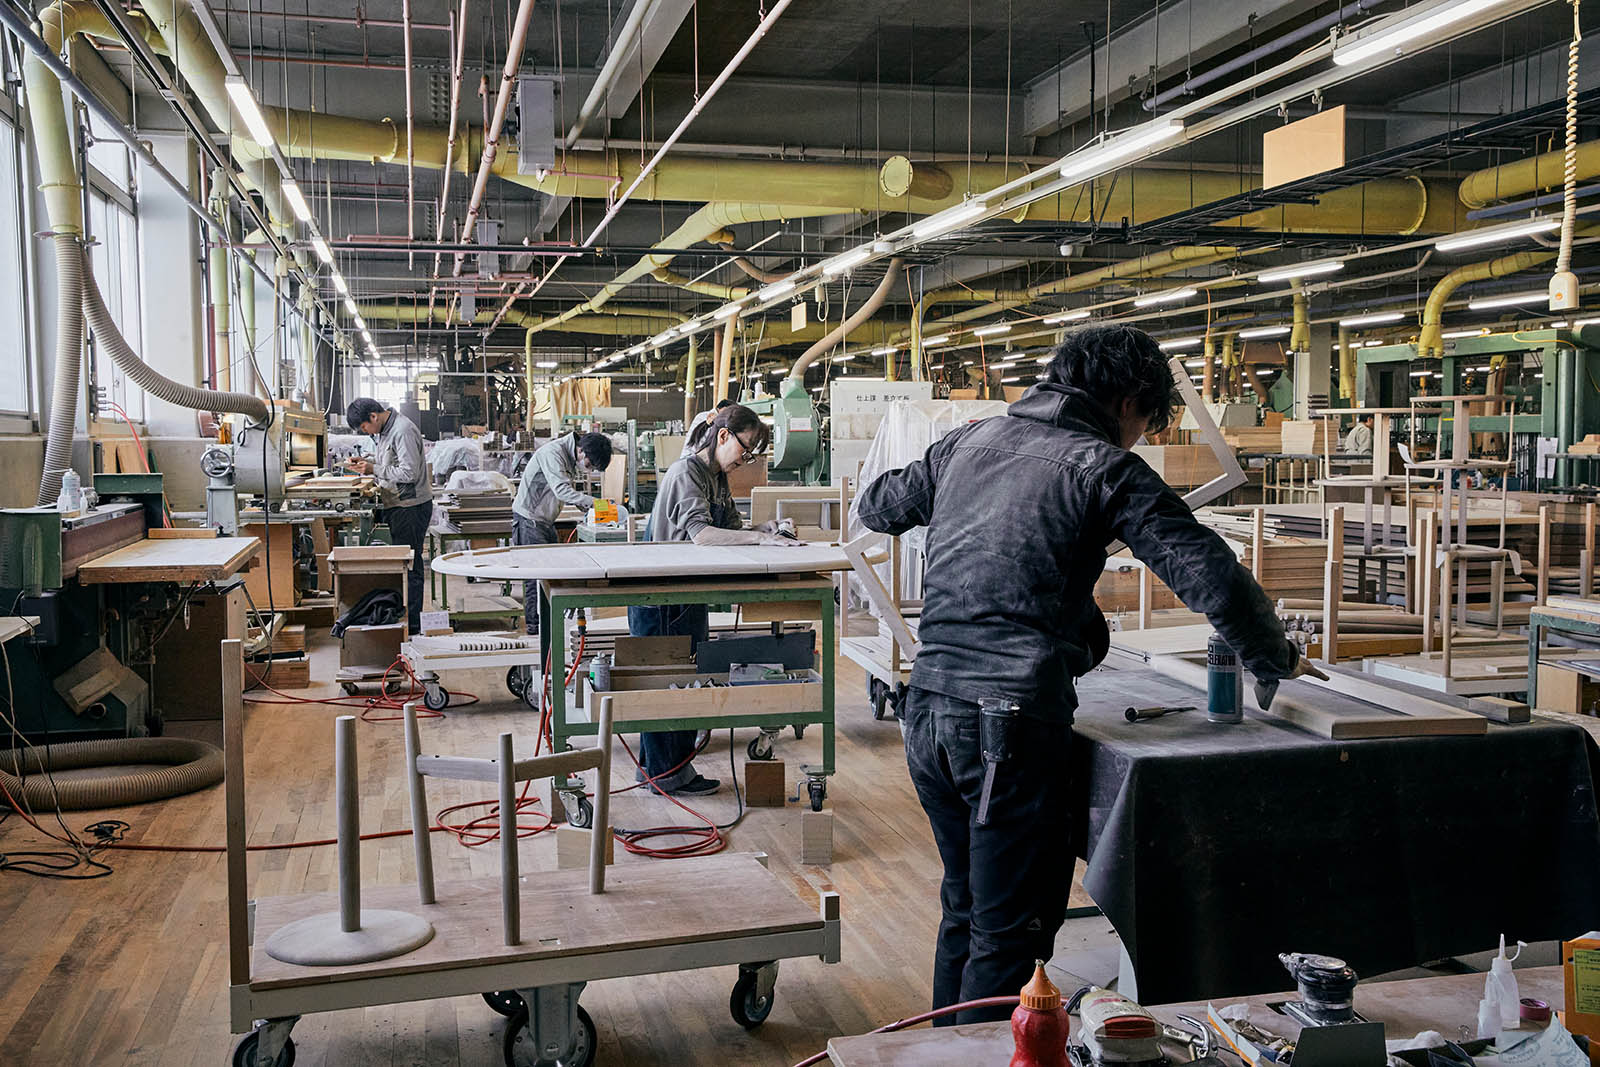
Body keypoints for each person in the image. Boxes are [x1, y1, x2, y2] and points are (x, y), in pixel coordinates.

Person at [855, 324, 1325, 1025]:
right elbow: (1208, 572)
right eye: (1143, 423)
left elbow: (877, 504)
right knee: (1007, 933)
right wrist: (1269, 654)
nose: (1136, 439)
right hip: (1004, 728)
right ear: (1129, 399)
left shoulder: (966, 442)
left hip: (926, 710)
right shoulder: (1100, 464)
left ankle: (938, 1052)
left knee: (966, 909)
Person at [628, 404, 802, 795]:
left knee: (687, 684)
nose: (747, 460)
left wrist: (769, 527)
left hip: (687, 595)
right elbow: (702, 535)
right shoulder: (686, 472)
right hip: (661, 600)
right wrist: (761, 539)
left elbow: (730, 529)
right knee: (665, 688)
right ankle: (662, 775)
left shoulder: (717, 476)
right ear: (723, 436)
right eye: (746, 450)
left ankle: (670, 771)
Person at [512, 430, 615, 634]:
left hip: (544, 519)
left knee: (552, 573)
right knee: (536, 577)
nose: (588, 470)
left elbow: (563, 489)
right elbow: (562, 491)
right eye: (589, 465)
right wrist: (597, 503)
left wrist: (587, 509)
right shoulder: (554, 453)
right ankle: (535, 629)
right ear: (581, 451)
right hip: (529, 519)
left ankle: (549, 623)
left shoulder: (569, 455)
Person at [345, 397, 433, 634]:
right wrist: (367, 462)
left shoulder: (402, 430)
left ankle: (413, 626)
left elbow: (409, 473)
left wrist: (374, 469)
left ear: (373, 416)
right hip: (398, 504)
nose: (365, 432)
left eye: (364, 427)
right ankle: (403, 619)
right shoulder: (385, 431)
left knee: (410, 566)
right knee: (403, 565)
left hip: (410, 507)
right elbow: (390, 461)